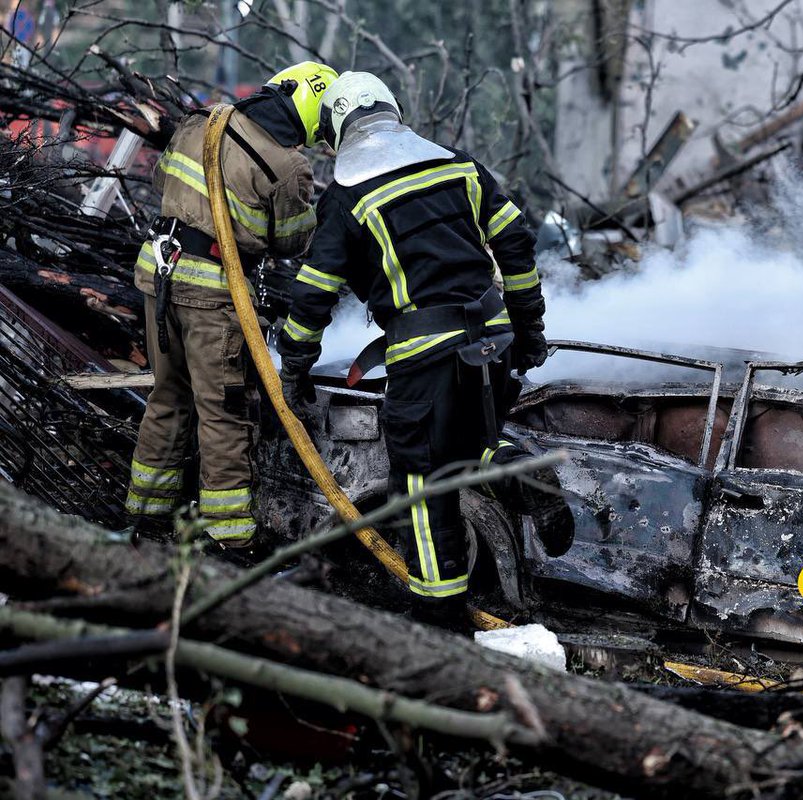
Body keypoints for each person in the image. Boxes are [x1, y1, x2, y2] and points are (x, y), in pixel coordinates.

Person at [277, 71, 574, 629]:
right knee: (467, 445)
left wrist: (293, 368)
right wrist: (529, 331)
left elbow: (312, 294)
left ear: (339, 129)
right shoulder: (460, 165)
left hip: (426, 355)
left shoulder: (349, 198)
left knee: (420, 482)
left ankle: (438, 615)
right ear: (393, 108)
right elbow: (515, 241)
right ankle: (516, 466)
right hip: (493, 341)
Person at [125, 62, 338, 549]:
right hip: (212, 296)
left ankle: (144, 517)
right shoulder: (288, 167)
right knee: (223, 412)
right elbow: (289, 243)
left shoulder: (202, 121)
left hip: (157, 275)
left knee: (166, 396)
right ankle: (229, 537)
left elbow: (162, 183)